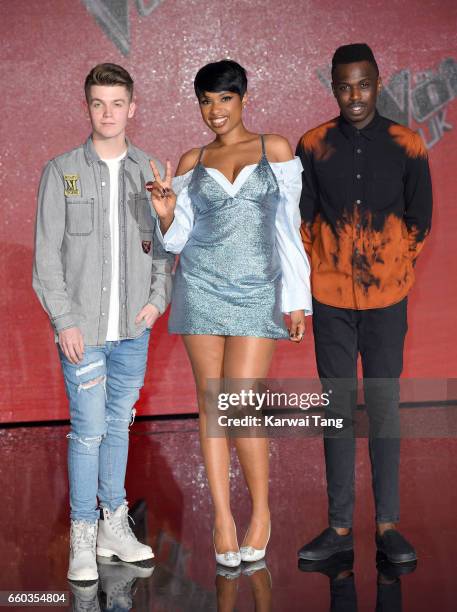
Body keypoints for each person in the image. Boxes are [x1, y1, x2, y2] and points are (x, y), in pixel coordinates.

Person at [147, 60, 312, 567]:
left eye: (223, 99)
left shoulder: (275, 150)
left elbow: (289, 228)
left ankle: (260, 513)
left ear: (243, 98)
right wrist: (168, 214)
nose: (214, 110)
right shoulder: (191, 160)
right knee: (212, 404)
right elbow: (177, 241)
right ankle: (222, 517)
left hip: (258, 291)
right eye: (205, 100)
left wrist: (297, 299)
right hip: (200, 287)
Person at [32, 63, 173, 581]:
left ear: (133, 107)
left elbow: (165, 246)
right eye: (98, 103)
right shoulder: (62, 170)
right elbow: (47, 257)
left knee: (118, 427)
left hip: (133, 330)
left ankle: (115, 524)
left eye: (118, 103)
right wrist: (64, 320)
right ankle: (82, 533)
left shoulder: (151, 171)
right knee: (88, 432)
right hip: (83, 332)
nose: (108, 113)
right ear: (87, 106)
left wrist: (157, 302)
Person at [296, 44, 432, 564]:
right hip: (330, 299)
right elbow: (303, 221)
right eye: (344, 86)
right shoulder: (313, 145)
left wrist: (390, 265)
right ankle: (337, 528)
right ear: (333, 87)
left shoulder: (408, 145)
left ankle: (388, 526)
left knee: (382, 408)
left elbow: (420, 220)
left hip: (386, 300)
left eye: (364, 85)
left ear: (379, 83)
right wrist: (328, 264)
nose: (355, 96)